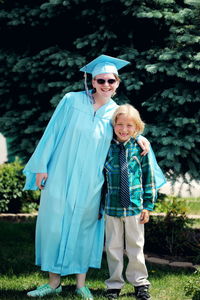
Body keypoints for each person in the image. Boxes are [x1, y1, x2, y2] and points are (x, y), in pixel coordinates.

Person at [23, 55, 151, 299]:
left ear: (117, 83)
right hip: (60, 173)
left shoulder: (115, 112)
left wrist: (140, 137)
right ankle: (53, 283)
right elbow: (52, 132)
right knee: (53, 226)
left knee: (85, 227)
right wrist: (42, 166)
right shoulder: (71, 101)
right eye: (100, 80)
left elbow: (126, 132)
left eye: (111, 81)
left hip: (92, 182)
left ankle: (81, 283)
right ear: (91, 80)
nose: (105, 85)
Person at [102, 104, 166, 300]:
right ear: (113, 126)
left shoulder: (141, 149)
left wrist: (148, 206)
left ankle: (140, 283)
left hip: (135, 208)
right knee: (112, 248)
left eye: (129, 125)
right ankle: (114, 284)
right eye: (119, 124)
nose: (124, 129)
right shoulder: (106, 148)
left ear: (137, 128)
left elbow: (149, 178)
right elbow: (100, 179)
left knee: (135, 247)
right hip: (111, 208)